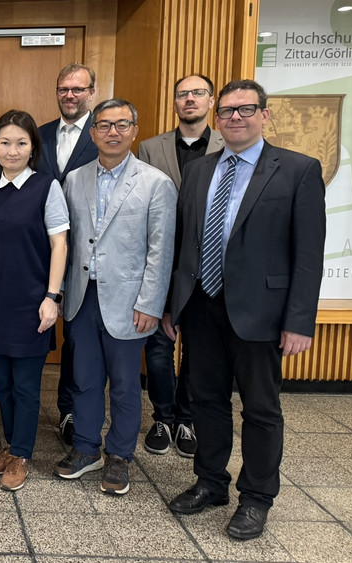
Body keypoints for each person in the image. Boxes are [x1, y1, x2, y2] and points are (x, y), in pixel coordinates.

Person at [166, 80, 326, 540]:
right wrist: (173, 307)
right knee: (206, 401)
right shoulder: (200, 170)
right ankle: (210, 482)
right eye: (228, 111)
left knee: (260, 409)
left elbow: (308, 254)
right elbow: (186, 244)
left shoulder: (297, 170)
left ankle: (256, 498)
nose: (235, 118)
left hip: (262, 313)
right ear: (217, 118)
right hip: (202, 307)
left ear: (264, 115)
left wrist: (299, 321)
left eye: (246, 109)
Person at [53, 99, 176, 496]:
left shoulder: (156, 183)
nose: (112, 132)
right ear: (92, 133)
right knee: (84, 379)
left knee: (124, 385)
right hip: (82, 297)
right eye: (104, 125)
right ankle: (87, 448)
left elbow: (161, 250)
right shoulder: (75, 178)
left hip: (129, 301)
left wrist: (151, 304)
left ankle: (120, 454)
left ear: (134, 130)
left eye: (122, 124)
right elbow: (67, 241)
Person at [0, 110, 68, 491]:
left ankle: (23, 453)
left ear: (33, 148)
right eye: (5, 142)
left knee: (28, 385)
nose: (12, 150)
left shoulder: (47, 187)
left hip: (33, 300)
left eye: (21, 143)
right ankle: (12, 444)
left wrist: (52, 296)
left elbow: (59, 244)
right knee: (4, 384)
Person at [136, 74, 224, 458]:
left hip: (208, 265)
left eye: (197, 93)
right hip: (163, 263)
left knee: (197, 348)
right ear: (174, 102)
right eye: (182, 94)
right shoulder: (150, 148)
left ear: (211, 101)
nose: (189, 100)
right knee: (158, 347)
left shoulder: (228, 144)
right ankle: (163, 416)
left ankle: (187, 419)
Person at [36, 63, 100, 446]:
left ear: (91, 92)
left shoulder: (104, 135)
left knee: (78, 339)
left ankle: (71, 412)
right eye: (64, 89)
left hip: (86, 256)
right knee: (42, 331)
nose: (70, 95)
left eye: (78, 89)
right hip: (41, 253)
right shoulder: (39, 135)